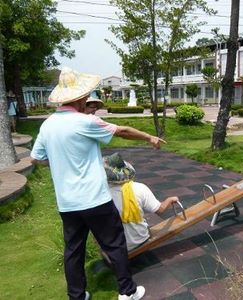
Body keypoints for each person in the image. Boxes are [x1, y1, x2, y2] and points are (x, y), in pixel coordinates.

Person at [30, 67, 165, 300]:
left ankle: (77, 296)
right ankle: (128, 292)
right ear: (80, 98)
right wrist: (149, 137)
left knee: (73, 251)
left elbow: (36, 158)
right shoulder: (86, 121)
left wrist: (61, 162)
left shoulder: (47, 125)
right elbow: (121, 130)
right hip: (95, 199)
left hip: (67, 203)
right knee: (114, 244)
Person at [103, 152, 179, 251]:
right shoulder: (140, 188)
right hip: (139, 240)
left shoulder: (101, 193)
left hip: (113, 244)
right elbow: (160, 210)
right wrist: (169, 200)